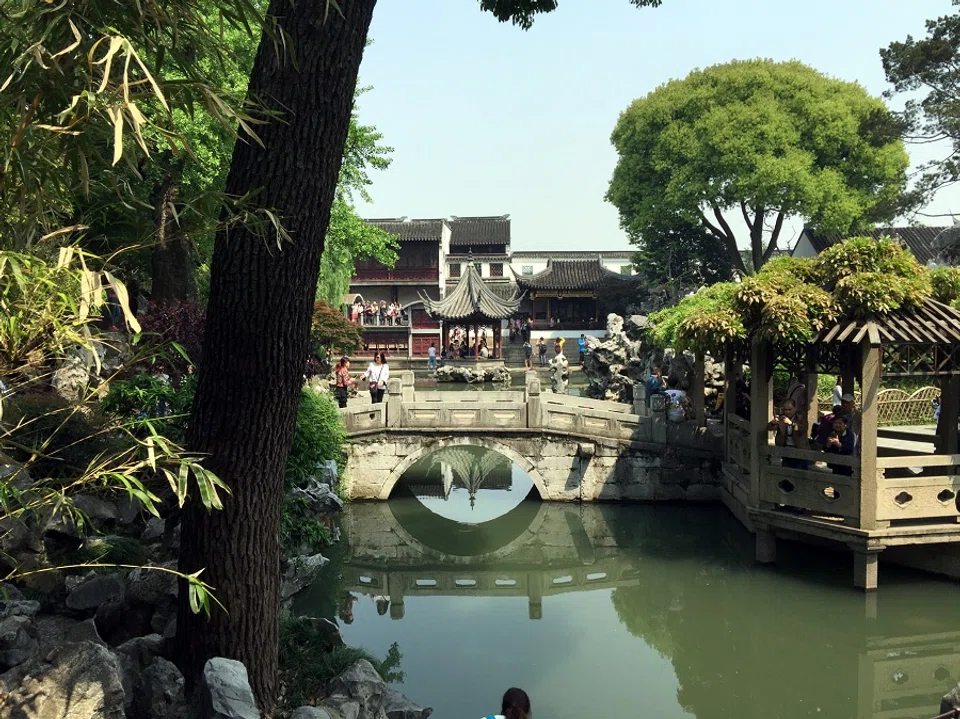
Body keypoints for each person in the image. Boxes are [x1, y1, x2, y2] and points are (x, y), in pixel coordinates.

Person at [768, 398, 809, 469]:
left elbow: (802, 429)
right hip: (786, 449)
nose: (787, 412)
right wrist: (772, 423)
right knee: (786, 471)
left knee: (800, 471)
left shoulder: (801, 417)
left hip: (799, 449)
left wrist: (791, 423)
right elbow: (770, 428)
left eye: (790, 409)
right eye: (785, 410)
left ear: (795, 408)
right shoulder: (782, 418)